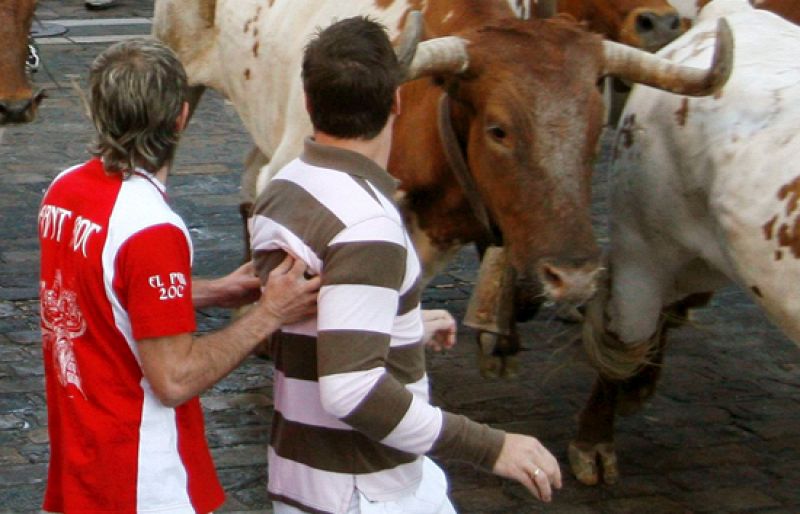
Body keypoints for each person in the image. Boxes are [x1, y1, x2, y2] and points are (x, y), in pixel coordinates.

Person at [249, 16, 562, 514]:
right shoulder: (368, 225)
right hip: (364, 492)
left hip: (302, 478)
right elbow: (352, 391)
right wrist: (493, 446)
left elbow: (299, 329)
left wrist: (398, 328)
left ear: (309, 102)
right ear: (396, 101)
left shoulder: (281, 190)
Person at [37, 39, 320, 513]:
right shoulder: (151, 228)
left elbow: (105, 296)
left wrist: (212, 292)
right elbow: (175, 379)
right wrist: (268, 313)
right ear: (181, 118)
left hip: (80, 466)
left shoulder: (62, 191)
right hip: (142, 481)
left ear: (97, 111)